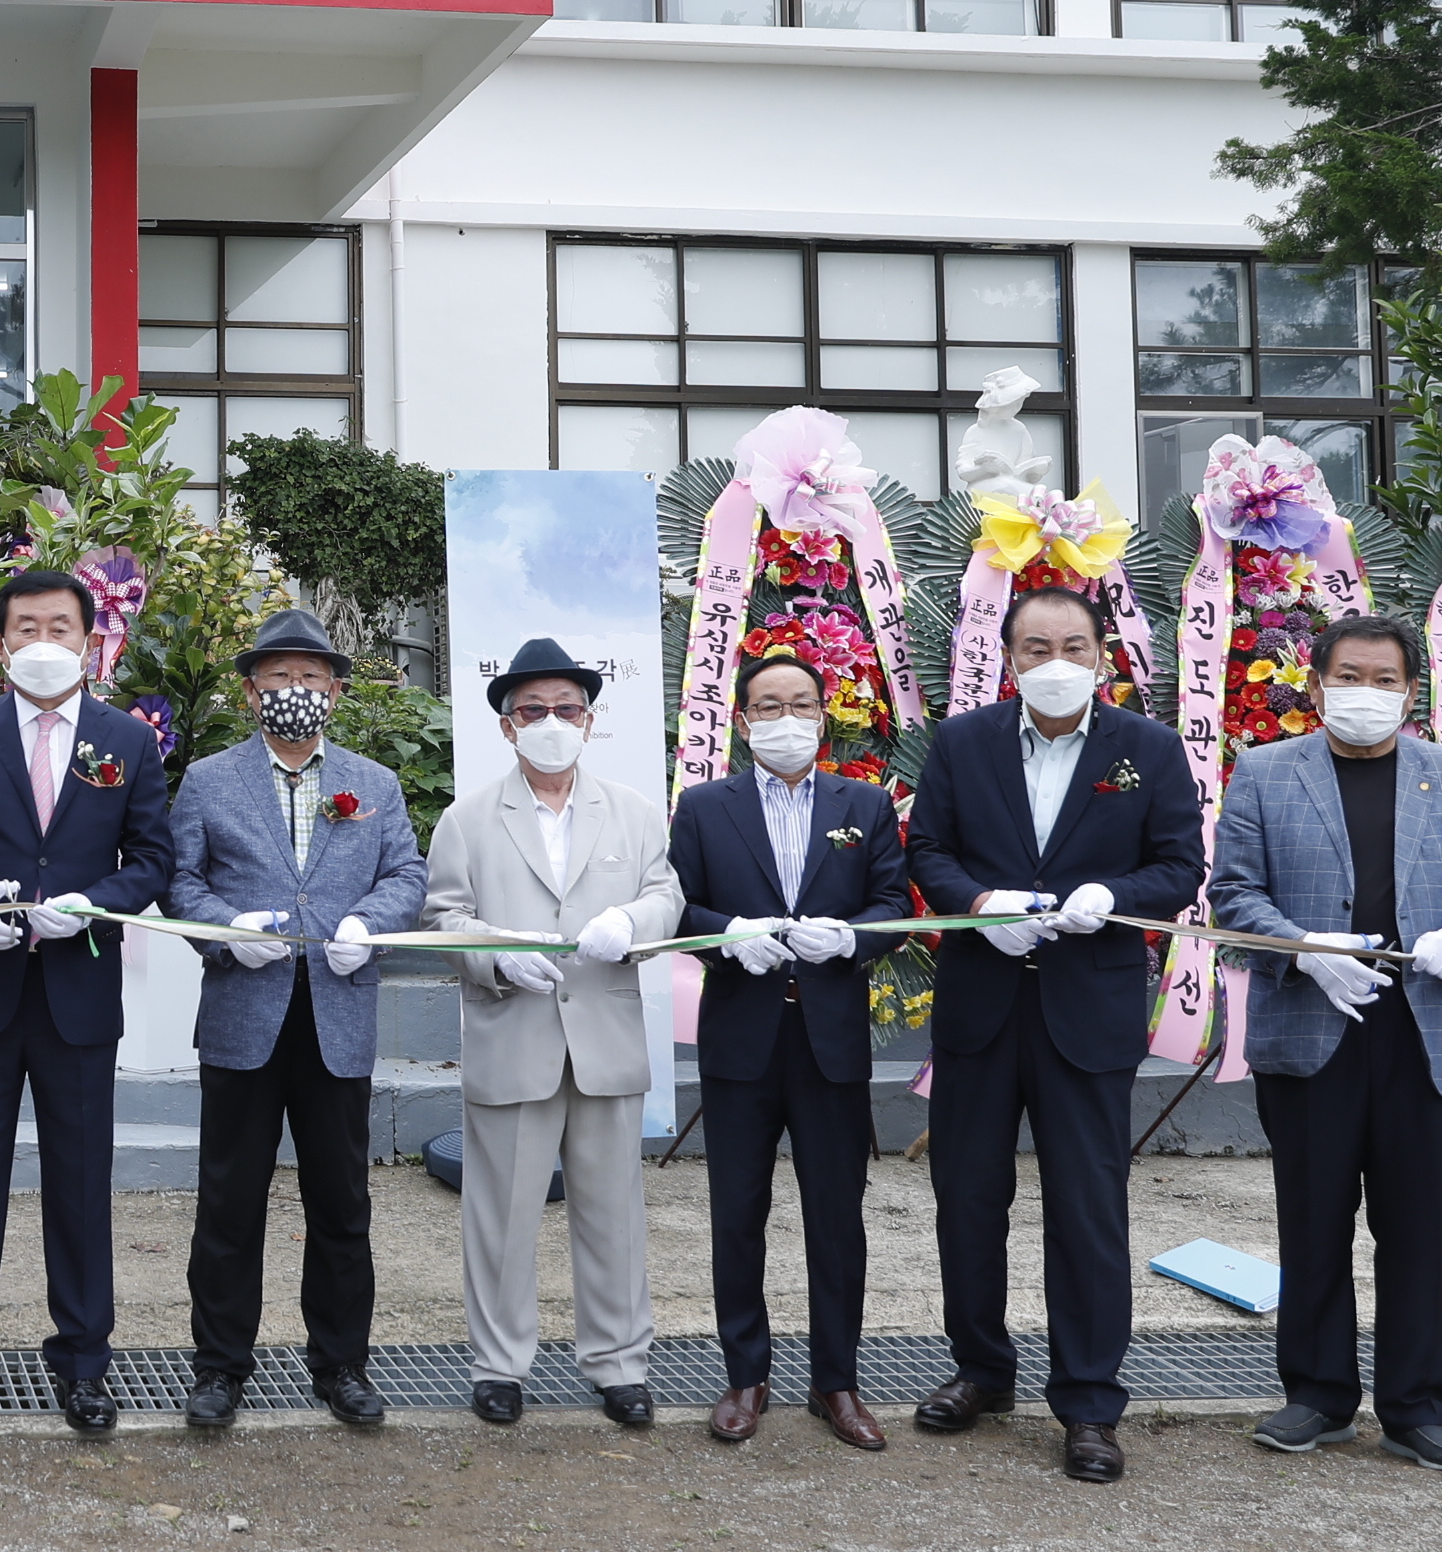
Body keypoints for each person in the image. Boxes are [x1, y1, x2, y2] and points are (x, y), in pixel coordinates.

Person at [904, 585, 1205, 1483]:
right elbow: (927, 848)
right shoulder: (963, 741)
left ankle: (1086, 1401)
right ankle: (981, 1369)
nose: (1054, 661)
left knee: (1085, 1209)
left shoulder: (1146, 748)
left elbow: (1179, 865)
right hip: (980, 1005)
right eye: (1035, 646)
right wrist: (975, 903)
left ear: (1102, 655)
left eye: (1072, 644)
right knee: (966, 1198)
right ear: (1008, 657)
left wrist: (1114, 899)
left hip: (1088, 1007)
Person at [1208, 615, 1442, 1474]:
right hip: (1311, 1028)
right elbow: (1232, 895)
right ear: (1314, 684)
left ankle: (1416, 1407)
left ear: (1410, 692)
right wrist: (1305, 949)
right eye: (1349, 676)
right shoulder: (1266, 772)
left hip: (1421, 1026)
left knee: (1415, 1225)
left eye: (1385, 679)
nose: (1366, 693)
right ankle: (1316, 1393)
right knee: (1312, 1218)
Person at [0, 570, 173, 1436]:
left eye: (61, 625)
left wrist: (101, 901)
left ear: (93, 639)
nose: (43, 640)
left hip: (78, 990)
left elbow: (153, 858)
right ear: (1, 642)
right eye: (26, 626)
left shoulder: (125, 738)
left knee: (82, 1185)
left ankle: (84, 1363)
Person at [163, 609, 426, 1430]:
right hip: (246, 1014)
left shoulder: (373, 783)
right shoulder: (207, 779)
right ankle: (218, 1366)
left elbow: (407, 873)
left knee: (342, 1203)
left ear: (337, 693)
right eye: (276, 678)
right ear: (249, 692)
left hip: (337, 1015)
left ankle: (341, 1363)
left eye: (310, 679)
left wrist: (366, 924)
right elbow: (179, 883)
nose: (294, 692)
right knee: (228, 1200)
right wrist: (226, 932)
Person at [418, 637, 681, 1430]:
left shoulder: (633, 812)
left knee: (612, 1213)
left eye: (566, 709)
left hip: (603, 1040)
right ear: (506, 726)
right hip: (513, 1035)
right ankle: (498, 1364)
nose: (550, 723)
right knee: (499, 1214)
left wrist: (626, 921)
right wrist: (498, 958)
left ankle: (618, 1363)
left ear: (590, 720)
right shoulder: (467, 819)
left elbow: (665, 896)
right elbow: (442, 920)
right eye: (532, 710)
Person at [667, 653, 909, 1451]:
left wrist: (851, 938)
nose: (785, 717)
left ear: (822, 712)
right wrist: (726, 937)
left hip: (829, 1037)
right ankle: (745, 1372)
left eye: (800, 702)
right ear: (742, 720)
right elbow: (679, 909)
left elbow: (887, 904)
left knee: (835, 1216)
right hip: (741, 1034)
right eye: (767, 704)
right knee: (738, 1212)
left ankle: (835, 1381)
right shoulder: (704, 807)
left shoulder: (864, 804)